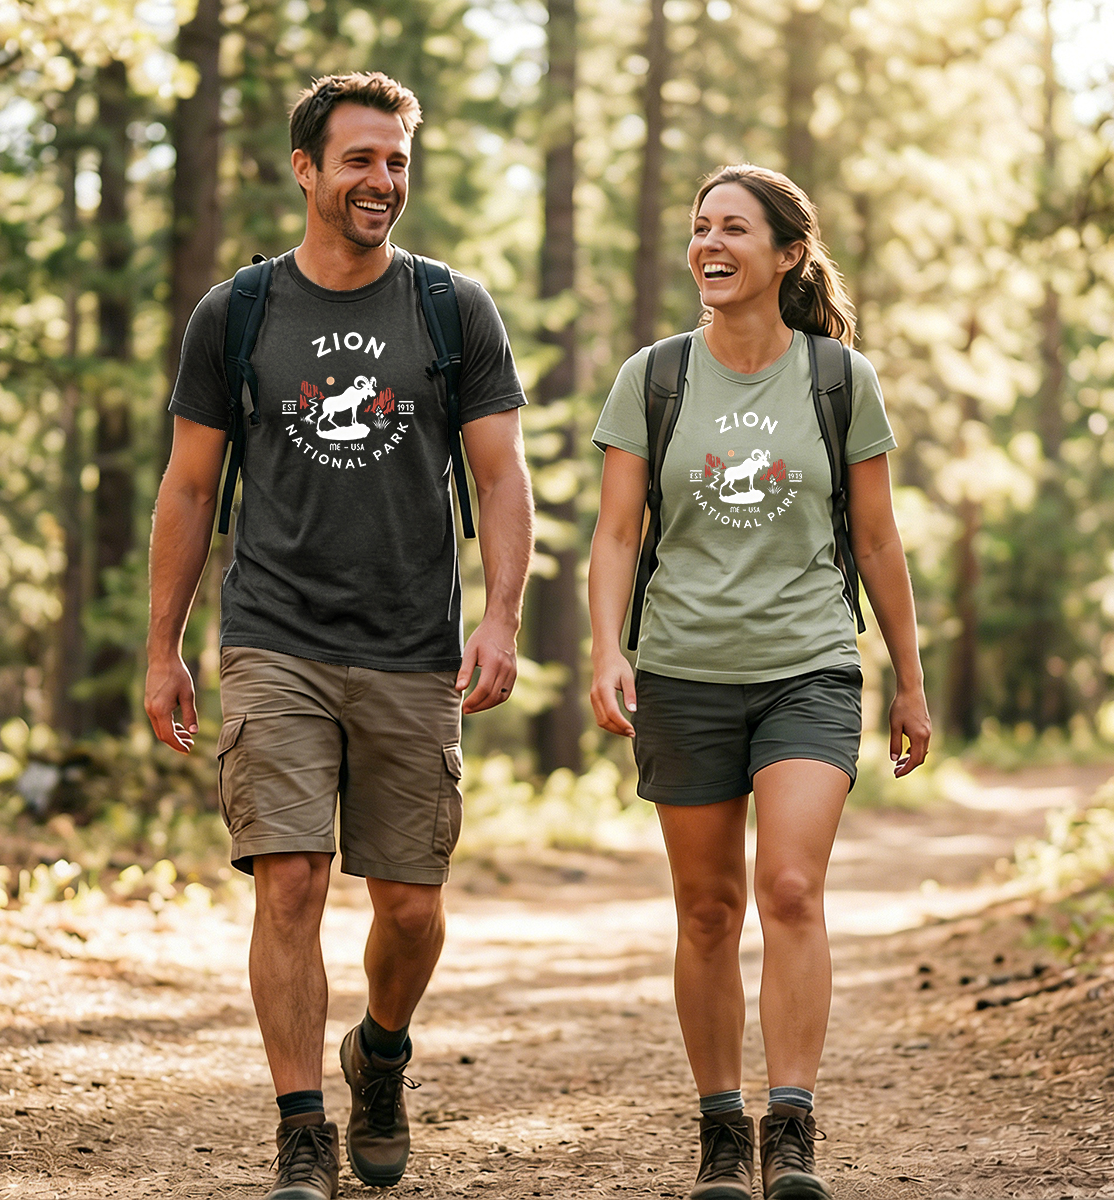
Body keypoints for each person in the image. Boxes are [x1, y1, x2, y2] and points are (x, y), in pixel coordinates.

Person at [144, 72, 534, 1200]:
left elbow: (502, 477)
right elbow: (188, 488)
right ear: (307, 169)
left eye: (398, 161)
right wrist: (163, 647)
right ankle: (301, 1127)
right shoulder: (240, 314)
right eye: (360, 160)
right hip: (276, 632)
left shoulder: (452, 309)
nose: (383, 182)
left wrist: (501, 617)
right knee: (293, 880)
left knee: (410, 907)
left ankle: (381, 1053)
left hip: (415, 644)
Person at [588, 164, 930, 1200]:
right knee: (705, 909)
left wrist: (910, 681)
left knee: (789, 888)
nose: (709, 244)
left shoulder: (837, 378)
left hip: (809, 667)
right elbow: (614, 535)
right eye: (699, 227)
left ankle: (792, 1126)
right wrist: (608, 649)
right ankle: (720, 1132)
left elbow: (877, 539)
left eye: (733, 228)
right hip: (684, 672)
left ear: (788, 255)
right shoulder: (654, 377)